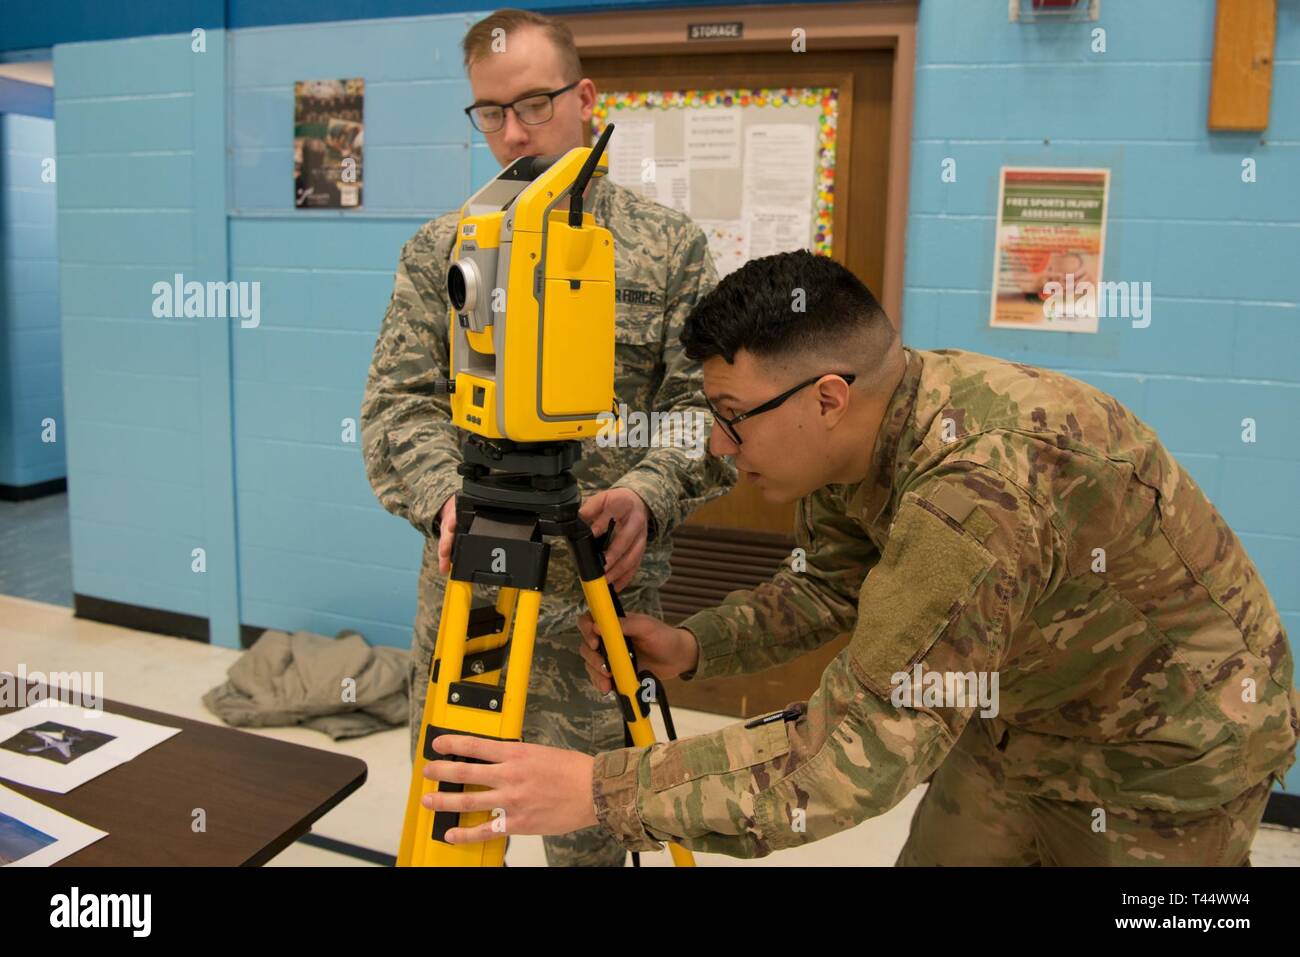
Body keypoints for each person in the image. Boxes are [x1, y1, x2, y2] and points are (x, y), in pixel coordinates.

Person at [420, 249, 1299, 866]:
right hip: (1014, 722)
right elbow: (840, 583)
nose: (720, 446)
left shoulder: (973, 493)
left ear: (828, 395)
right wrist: (697, 648)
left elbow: (851, 756)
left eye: (732, 415)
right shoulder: (869, 431)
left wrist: (600, 791)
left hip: (1173, 754)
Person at [360, 8, 735, 866]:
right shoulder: (441, 250)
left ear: (587, 98)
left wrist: (650, 490)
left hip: (602, 610)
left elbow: (704, 411)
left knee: (598, 836)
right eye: (490, 112)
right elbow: (397, 405)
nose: (514, 132)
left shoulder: (668, 250)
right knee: (456, 829)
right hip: (473, 601)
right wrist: (441, 494)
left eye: (534, 103)